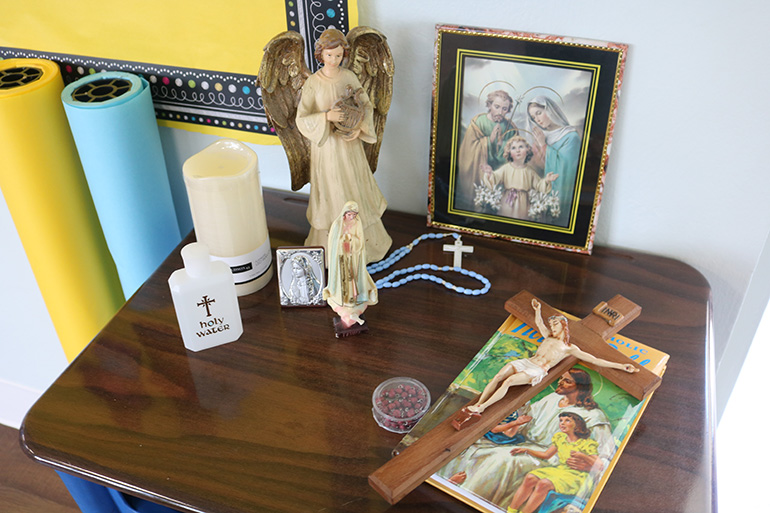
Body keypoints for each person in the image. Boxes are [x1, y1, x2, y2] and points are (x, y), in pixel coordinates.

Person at [437, 369, 614, 509]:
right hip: (526, 444)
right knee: (478, 448)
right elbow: (526, 420)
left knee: (503, 459)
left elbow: (605, 456)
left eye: (567, 380)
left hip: (552, 458)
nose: (560, 382)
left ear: (580, 387)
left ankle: (469, 499)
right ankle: (449, 488)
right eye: (561, 378)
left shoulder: (594, 416)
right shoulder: (552, 398)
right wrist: (513, 422)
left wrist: (591, 464)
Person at [295, 28, 391, 263]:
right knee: (333, 191)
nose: (334, 60)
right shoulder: (313, 84)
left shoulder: (349, 77)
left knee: (354, 188)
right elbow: (301, 119)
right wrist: (326, 117)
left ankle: (367, 246)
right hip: (326, 149)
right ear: (321, 55)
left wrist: (359, 128)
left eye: (338, 55)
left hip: (349, 147)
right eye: (329, 55)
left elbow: (366, 105)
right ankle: (333, 248)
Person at [456, 298, 637, 419]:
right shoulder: (547, 336)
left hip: (537, 369)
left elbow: (596, 360)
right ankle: (478, 403)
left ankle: (482, 407)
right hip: (526, 361)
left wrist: (621, 366)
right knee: (498, 376)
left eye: (555, 324)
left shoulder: (568, 348)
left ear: (564, 326)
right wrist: (538, 309)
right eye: (551, 324)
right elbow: (539, 323)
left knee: (509, 381)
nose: (552, 327)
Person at [508, 412, 597, 513]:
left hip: (577, 476)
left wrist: (582, 456)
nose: (562, 423)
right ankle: (511, 510)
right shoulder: (560, 438)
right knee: (530, 477)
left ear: (578, 425)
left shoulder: (587, 443)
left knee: (544, 484)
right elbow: (546, 455)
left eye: (567, 420)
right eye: (561, 421)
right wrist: (527, 450)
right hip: (561, 471)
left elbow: (599, 464)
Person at [524, 96, 581, 227]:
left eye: (539, 113)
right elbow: (535, 167)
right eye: (533, 118)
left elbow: (566, 168)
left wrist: (543, 145)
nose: (537, 120)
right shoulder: (539, 137)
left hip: (560, 192)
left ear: (550, 110)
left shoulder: (570, 136)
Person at [456, 90, 518, 210]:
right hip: (479, 171)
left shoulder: (511, 127)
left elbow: (514, 153)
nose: (500, 112)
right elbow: (468, 149)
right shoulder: (478, 122)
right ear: (489, 105)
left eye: (504, 109)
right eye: (497, 107)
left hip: (500, 174)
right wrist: (489, 141)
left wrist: (501, 143)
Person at [323, 201, 378, 332]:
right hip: (341, 259)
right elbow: (334, 243)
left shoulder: (357, 224)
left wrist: (352, 241)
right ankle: (343, 299)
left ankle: (356, 297)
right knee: (344, 280)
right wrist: (343, 241)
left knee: (355, 278)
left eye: (354, 214)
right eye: (349, 214)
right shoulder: (337, 225)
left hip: (354, 258)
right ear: (344, 214)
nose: (351, 217)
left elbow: (360, 241)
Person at [483, 136, 558, 220]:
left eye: (521, 147)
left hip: (523, 203)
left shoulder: (530, 171)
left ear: (527, 151)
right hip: (507, 200)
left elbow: (539, 185)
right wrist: (489, 173)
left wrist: (547, 180)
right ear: (509, 152)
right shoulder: (506, 168)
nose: (517, 150)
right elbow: (495, 178)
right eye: (514, 148)